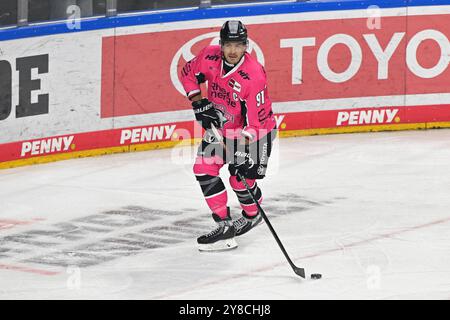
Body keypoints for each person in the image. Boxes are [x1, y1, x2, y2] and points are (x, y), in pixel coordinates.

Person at [181, 20, 277, 251]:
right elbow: (187, 73)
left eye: (238, 45)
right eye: (228, 45)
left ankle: (253, 215)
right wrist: (199, 103)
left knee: (240, 179)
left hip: (256, 133)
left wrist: (239, 152)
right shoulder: (209, 57)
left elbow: (257, 122)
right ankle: (224, 224)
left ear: (246, 46)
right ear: (221, 45)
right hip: (221, 129)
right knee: (203, 169)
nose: (233, 51)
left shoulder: (254, 76)